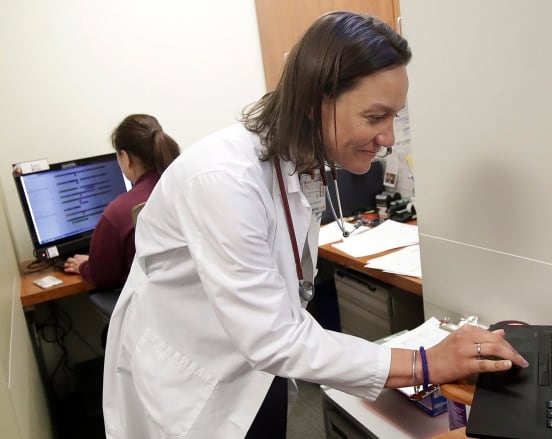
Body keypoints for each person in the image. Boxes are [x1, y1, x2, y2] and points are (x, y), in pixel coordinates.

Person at [102, 11, 528, 439]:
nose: (389, 138)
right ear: (314, 101)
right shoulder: (222, 180)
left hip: (255, 364)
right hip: (192, 384)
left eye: (394, 117)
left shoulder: (304, 159)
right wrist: (425, 362)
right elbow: (272, 338)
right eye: (375, 117)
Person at [63, 114, 180, 289]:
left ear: (125, 157)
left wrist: (84, 266)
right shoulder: (184, 186)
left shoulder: (119, 211)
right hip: (197, 298)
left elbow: (103, 277)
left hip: (152, 304)